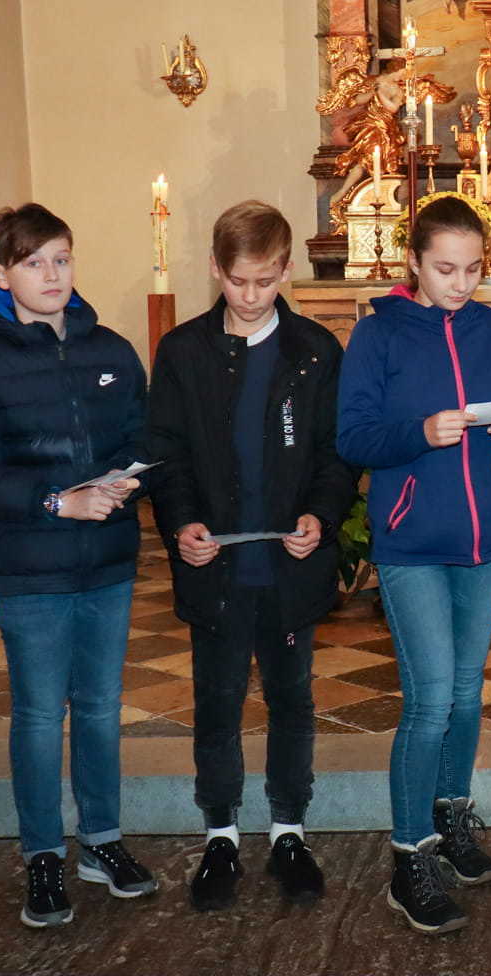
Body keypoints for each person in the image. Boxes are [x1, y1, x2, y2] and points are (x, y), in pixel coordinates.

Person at [0, 203, 157, 927]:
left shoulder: (111, 350)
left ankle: (102, 840)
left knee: (99, 707)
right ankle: (41, 856)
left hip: (107, 559)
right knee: (37, 714)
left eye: (61, 259)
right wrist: (59, 502)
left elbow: (142, 435)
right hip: (29, 565)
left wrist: (126, 480)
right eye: (33, 263)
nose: (52, 274)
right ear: (0, 273)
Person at [144, 200, 358, 911]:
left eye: (266, 281)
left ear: (285, 271)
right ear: (215, 269)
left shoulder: (315, 351)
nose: (251, 296)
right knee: (218, 700)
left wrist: (319, 516)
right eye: (238, 281)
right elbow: (167, 455)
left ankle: (289, 830)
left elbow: (334, 454)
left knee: (292, 699)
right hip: (218, 568)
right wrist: (183, 525)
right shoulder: (183, 353)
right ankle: (221, 835)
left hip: (289, 566)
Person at [337, 196, 491, 935]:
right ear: (414, 261)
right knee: (430, 699)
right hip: (412, 541)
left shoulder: (488, 327)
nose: (461, 283)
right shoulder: (377, 333)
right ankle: (408, 855)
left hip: (484, 537)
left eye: (474, 269)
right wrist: (419, 431)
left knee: (469, 694)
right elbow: (353, 437)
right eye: (446, 269)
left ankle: (451, 821)